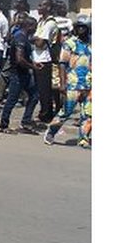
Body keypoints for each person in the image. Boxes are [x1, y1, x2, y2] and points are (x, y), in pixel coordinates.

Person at [44, 15, 91, 148]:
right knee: (66, 112)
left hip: (90, 85)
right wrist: (63, 84)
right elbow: (62, 64)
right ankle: (51, 131)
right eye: (79, 27)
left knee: (88, 114)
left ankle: (84, 138)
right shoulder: (70, 43)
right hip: (73, 84)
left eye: (84, 27)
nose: (81, 30)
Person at [0, 15, 40, 134]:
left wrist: (33, 63)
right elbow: (20, 59)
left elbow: (24, 58)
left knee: (34, 96)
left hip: (24, 74)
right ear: (29, 26)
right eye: (34, 27)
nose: (35, 30)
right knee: (12, 99)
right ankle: (3, 125)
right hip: (17, 74)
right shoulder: (20, 38)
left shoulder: (24, 37)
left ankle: (26, 122)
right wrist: (33, 67)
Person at [32, 0, 61, 124]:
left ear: (48, 8)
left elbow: (40, 43)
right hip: (36, 58)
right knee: (39, 89)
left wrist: (32, 37)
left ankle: (46, 114)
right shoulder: (41, 22)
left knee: (45, 90)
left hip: (45, 59)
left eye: (41, 5)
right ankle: (44, 112)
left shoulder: (49, 24)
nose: (38, 7)